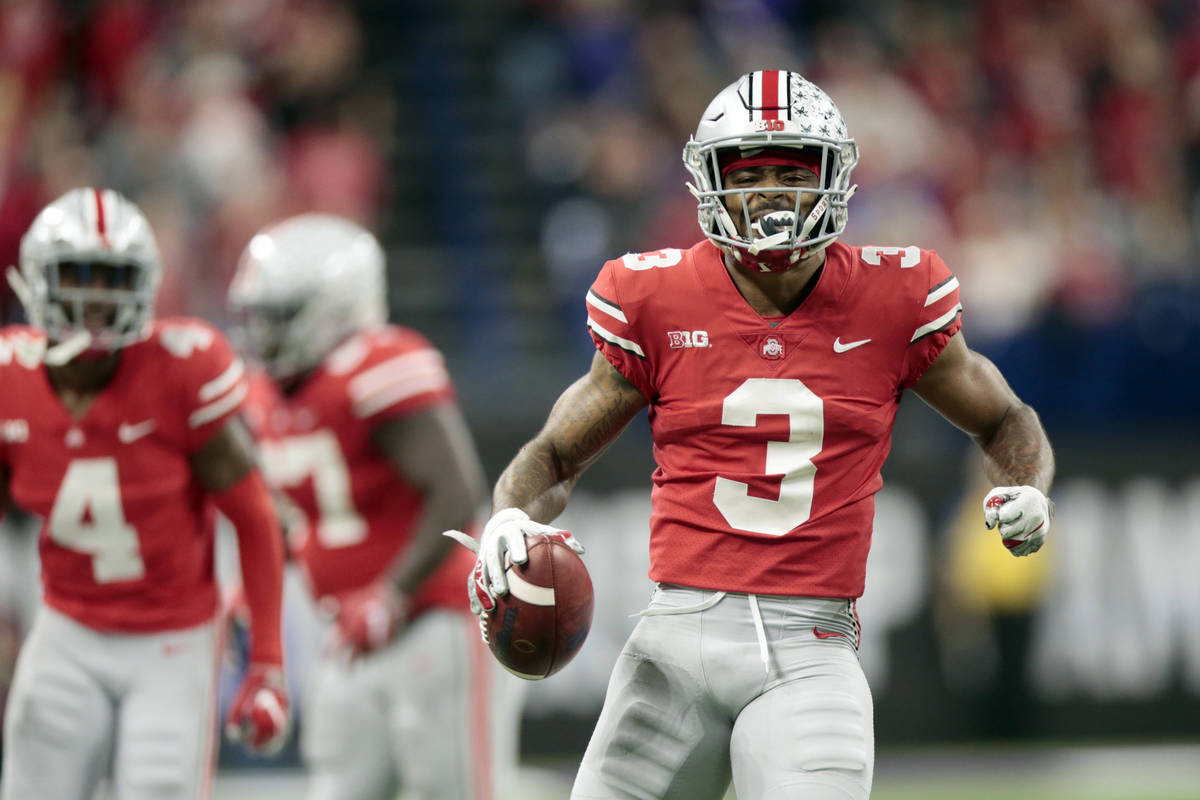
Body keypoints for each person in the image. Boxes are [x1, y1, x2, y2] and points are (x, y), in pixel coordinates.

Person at [457, 70, 1055, 800]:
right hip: (671, 649)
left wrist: (1025, 485)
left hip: (810, 652)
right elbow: (553, 454)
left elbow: (1005, 418)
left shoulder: (894, 298)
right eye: (751, 173)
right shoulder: (655, 296)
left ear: (832, 179)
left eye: (791, 171)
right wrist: (510, 516)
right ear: (712, 184)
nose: (771, 191)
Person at [0, 187, 290, 799]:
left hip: (172, 640)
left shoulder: (181, 367)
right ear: (37, 279)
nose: (94, 299)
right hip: (67, 630)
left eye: (111, 277)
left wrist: (266, 658)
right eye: (75, 275)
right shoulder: (9, 379)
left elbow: (256, 514)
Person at [228, 213, 516, 800]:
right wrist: (252, 589)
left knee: (454, 789)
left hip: (437, 621)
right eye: (259, 316)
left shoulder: (378, 364)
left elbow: (458, 491)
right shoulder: (261, 394)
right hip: (347, 634)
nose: (264, 333)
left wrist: (389, 594)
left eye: (279, 316)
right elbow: (295, 513)